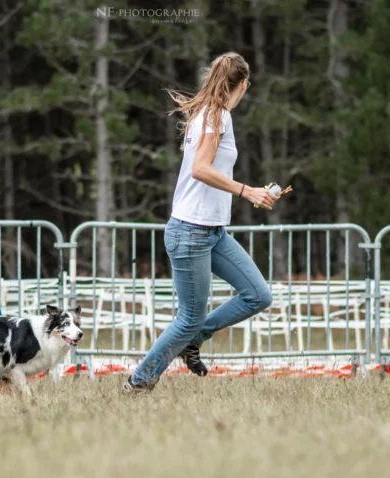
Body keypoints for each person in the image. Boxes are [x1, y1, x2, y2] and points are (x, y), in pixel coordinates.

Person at [121, 52, 279, 395]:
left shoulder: (209, 115)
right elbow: (201, 169)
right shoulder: (216, 116)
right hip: (190, 231)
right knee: (188, 317)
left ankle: (194, 342)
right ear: (243, 86)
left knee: (258, 295)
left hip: (213, 231)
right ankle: (138, 381)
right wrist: (246, 191)